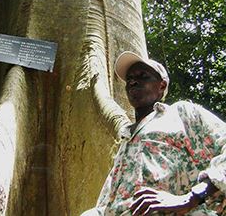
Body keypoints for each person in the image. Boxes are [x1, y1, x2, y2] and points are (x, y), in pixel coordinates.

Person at [81, 51, 226, 215]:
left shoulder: (181, 113)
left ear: (161, 86)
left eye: (143, 76)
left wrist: (191, 198)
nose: (133, 82)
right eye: (129, 79)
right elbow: (109, 203)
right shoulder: (126, 140)